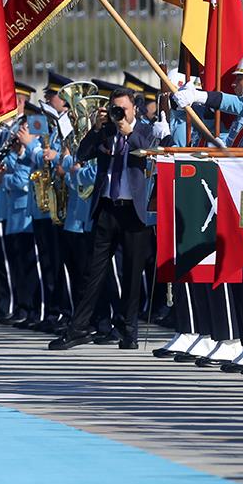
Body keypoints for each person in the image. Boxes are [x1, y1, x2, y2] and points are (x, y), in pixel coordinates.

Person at [49, 88, 164, 350]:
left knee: (132, 273)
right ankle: (78, 328)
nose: (118, 114)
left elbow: (152, 154)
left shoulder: (147, 130)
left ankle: (129, 331)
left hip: (134, 211)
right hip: (107, 207)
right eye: (115, 109)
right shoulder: (107, 130)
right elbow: (83, 154)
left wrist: (129, 133)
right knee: (93, 270)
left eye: (122, 109)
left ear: (134, 108)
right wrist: (96, 128)